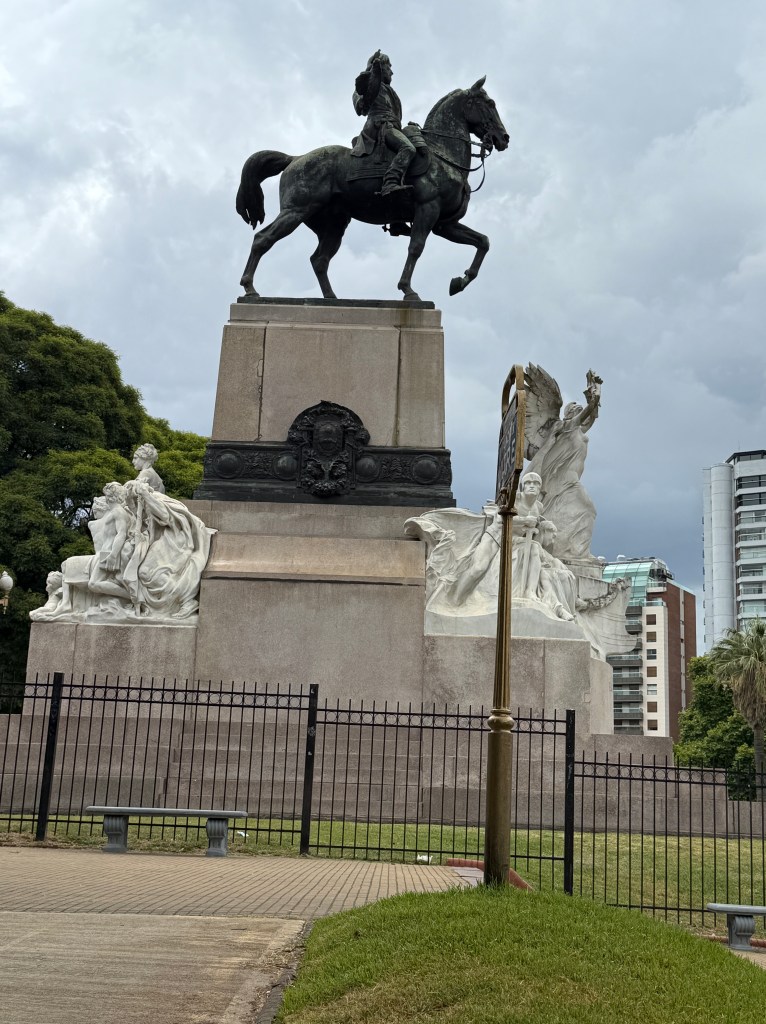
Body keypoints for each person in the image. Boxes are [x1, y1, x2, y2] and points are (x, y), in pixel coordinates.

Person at [352, 50, 421, 197]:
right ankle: (390, 182)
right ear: (381, 67)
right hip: (379, 126)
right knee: (408, 148)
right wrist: (372, 72)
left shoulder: (390, 91)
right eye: (389, 67)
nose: (392, 72)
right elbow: (363, 106)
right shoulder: (367, 84)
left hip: (392, 127)